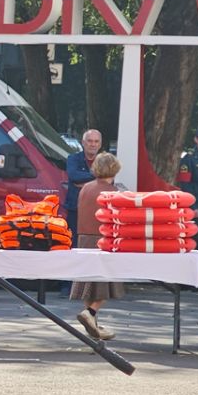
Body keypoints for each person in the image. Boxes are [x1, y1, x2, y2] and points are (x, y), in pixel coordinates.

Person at [70, 152, 125, 340]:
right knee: (106, 283)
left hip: (83, 239)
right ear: (115, 169)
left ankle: (92, 325)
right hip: (104, 239)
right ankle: (90, 313)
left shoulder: (85, 188)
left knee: (88, 283)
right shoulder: (114, 192)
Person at [63, 128, 104, 225]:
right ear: (83, 143)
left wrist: (83, 183)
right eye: (90, 141)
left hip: (97, 210)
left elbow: (109, 181)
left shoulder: (104, 161)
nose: (93, 144)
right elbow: (74, 176)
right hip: (75, 210)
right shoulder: (73, 159)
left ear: (100, 144)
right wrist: (97, 176)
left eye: (96, 141)